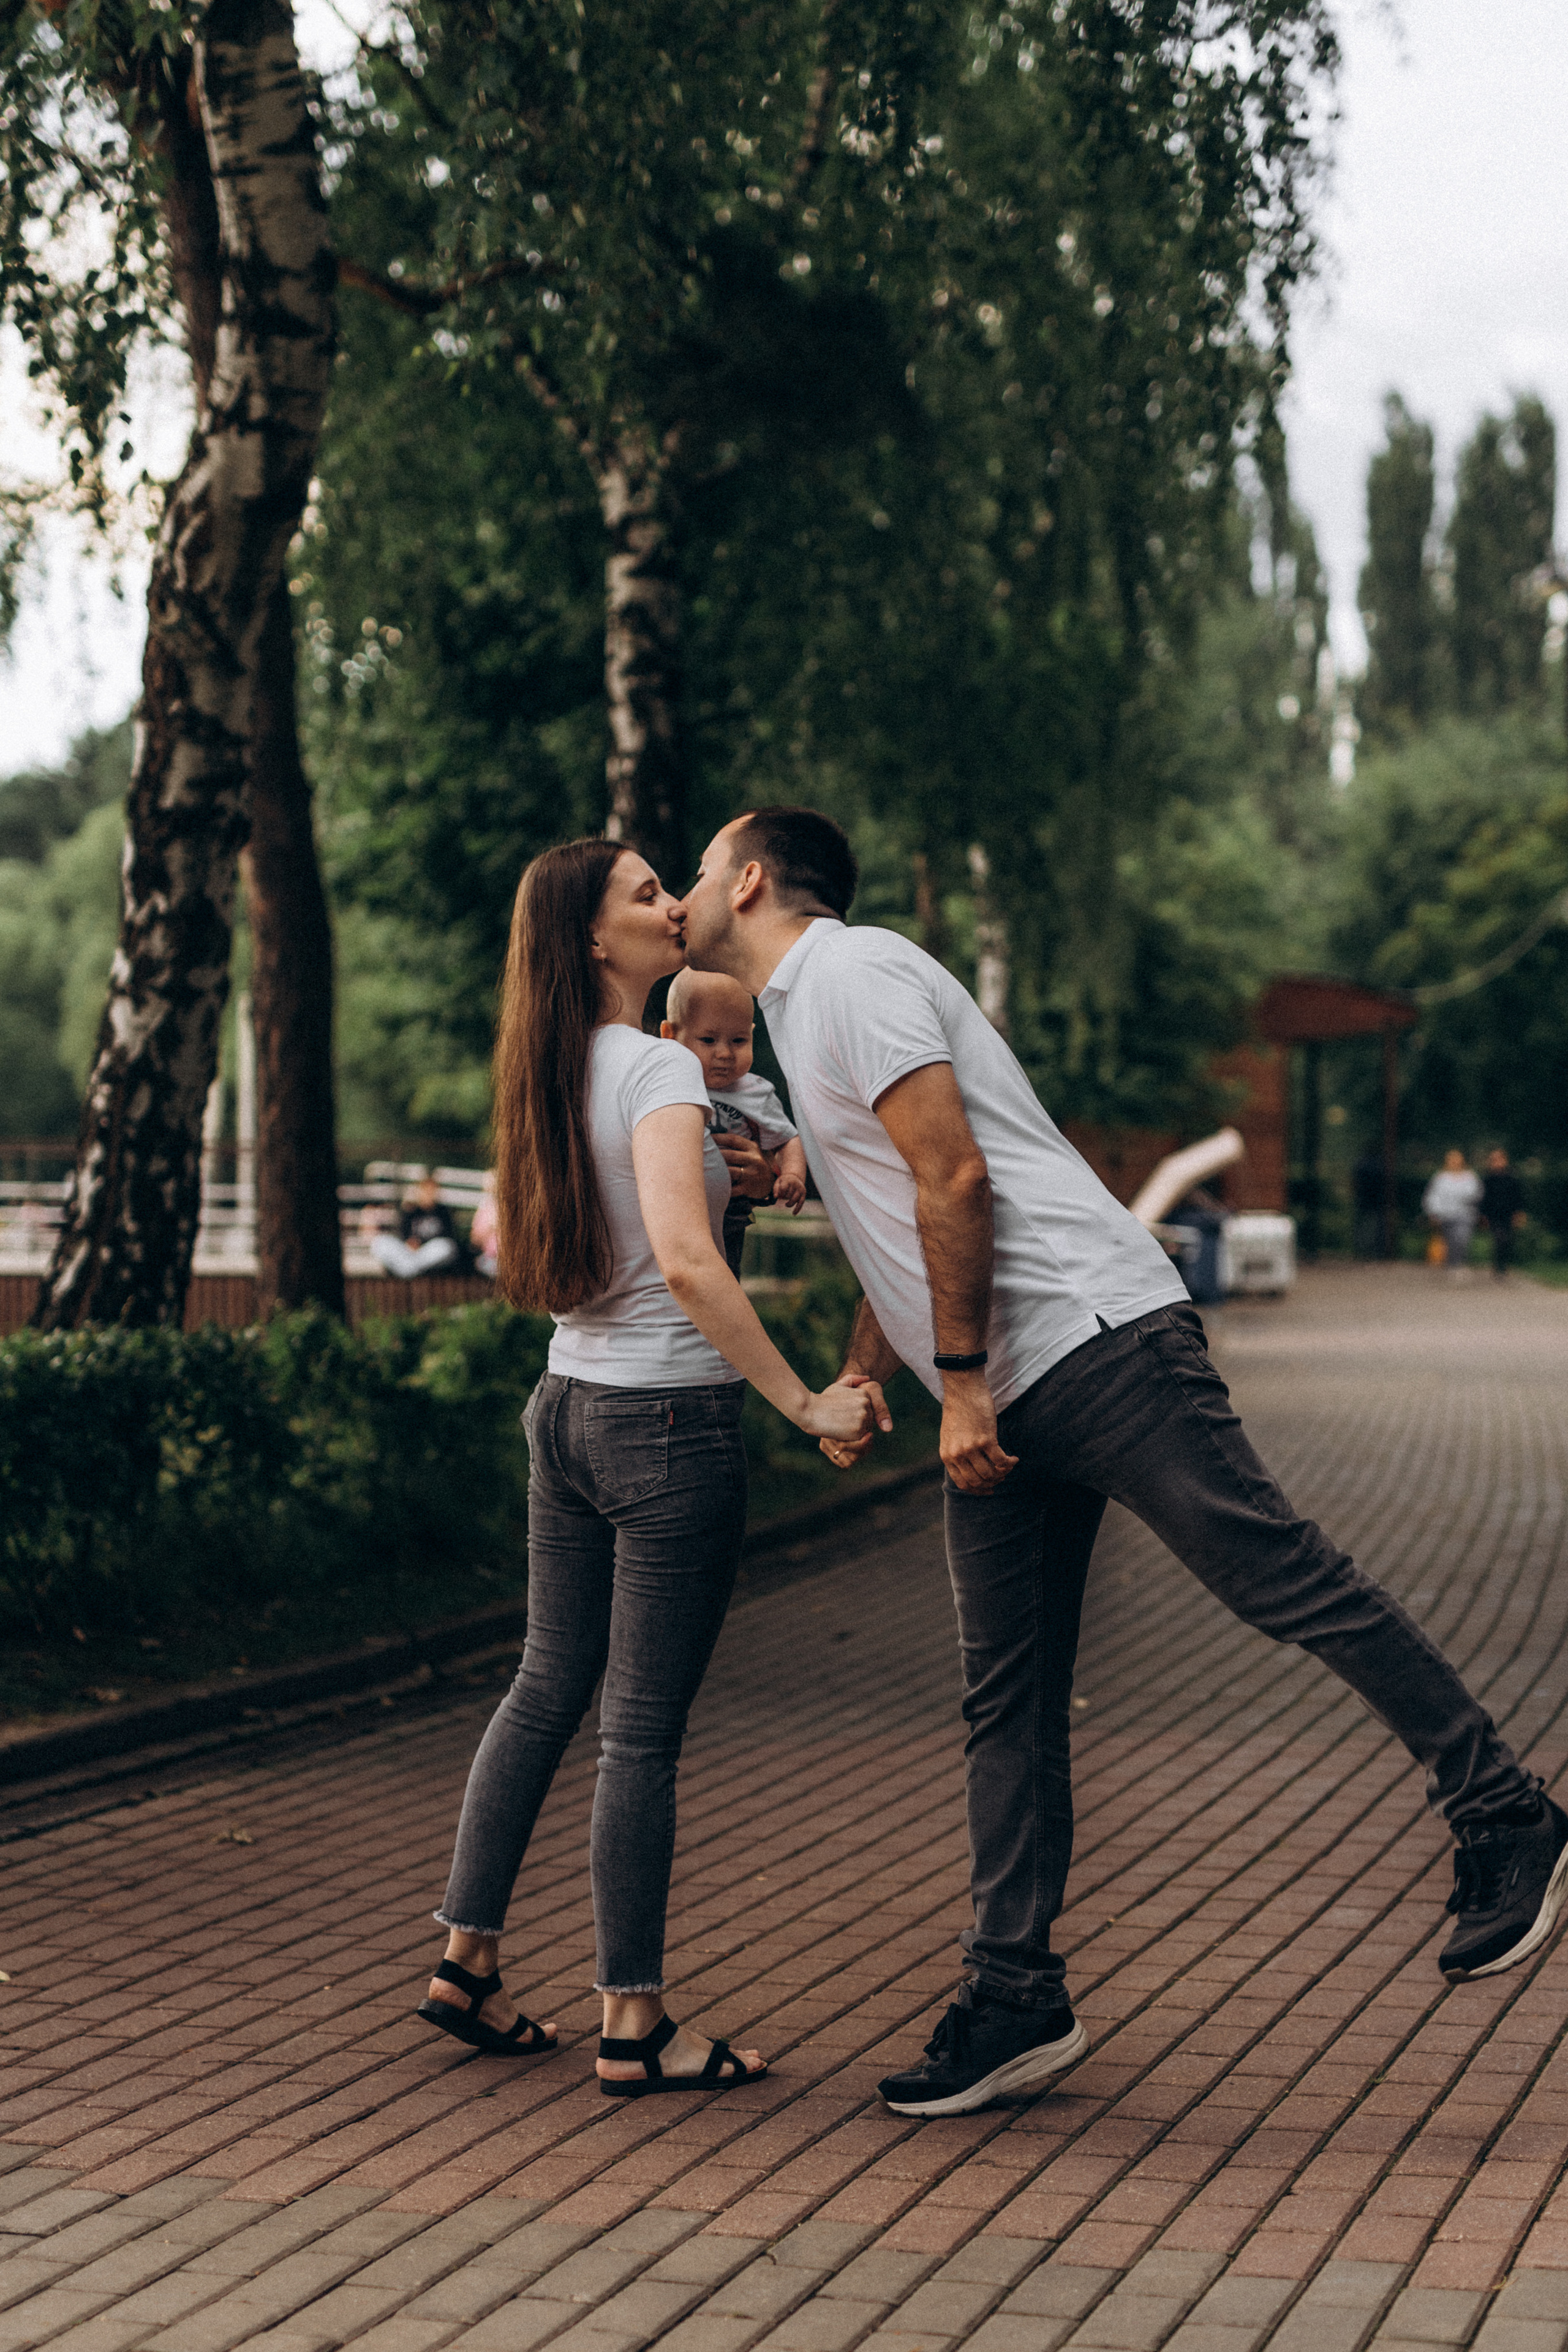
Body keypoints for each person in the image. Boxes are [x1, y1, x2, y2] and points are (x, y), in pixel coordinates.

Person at [682, 805, 1568, 2119]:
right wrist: (874, 1369)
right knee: (1006, 1694)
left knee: (1273, 1574)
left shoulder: (851, 974)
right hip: (1005, 1381)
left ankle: (1504, 1814)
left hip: (1087, 1345)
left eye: (699, 868)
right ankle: (1013, 1993)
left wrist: (963, 1384)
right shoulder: (807, 1020)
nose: (688, 888)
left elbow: (956, 1182)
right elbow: (893, 1212)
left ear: (749, 881)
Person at [418, 837, 874, 2094]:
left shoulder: (551, 1074)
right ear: (591, 941)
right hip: (667, 1428)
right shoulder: (659, 1077)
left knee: (542, 1686)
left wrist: (762, 1169)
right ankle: (635, 2023)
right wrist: (804, 1402)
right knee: (638, 1734)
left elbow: (637, 1228)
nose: (670, 904)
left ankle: (465, 1960)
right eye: (640, 895)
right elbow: (685, 1261)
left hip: (564, 1407)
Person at [662, 969, 809, 1275]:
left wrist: (792, 1174)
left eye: (739, 1040)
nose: (725, 1053)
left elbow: (787, 1138)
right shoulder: (664, 1082)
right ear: (670, 1035)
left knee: (722, 1277)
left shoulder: (755, 1091)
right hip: (670, 1205)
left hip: (732, 1211)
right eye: (709, 1040)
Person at [371, 1172, 461, 1278]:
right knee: (380, 1242)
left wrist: (422, 1244)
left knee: (446, 1247)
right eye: (426, 1191)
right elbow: (402, 1234)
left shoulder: (444, 1212)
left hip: (429, 1253)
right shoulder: (410, 1210)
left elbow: (448, 1238)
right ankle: (410, 1269)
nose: (428, 1194)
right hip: (409, 1253)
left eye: (431, 1191)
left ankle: (408, 1271)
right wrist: (410, 1242)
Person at [1422, 1150, 1482, 1278]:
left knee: (1462, 1239)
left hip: (1465, 1214)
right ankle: (1452, 1265)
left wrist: (1462, 1197)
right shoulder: (1441, 1177)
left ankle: (1459, 1263)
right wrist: (1434, 1213)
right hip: (1446, 1215)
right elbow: (1433, 1196)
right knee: (1450, 1241)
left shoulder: (1470, 1177)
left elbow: (1476, 1194)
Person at [1480, 1148, 1527, 1280]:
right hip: (1493, 1215)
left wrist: (1519, 1214)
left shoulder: (1512, 1178)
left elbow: (1519, 1198)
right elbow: (1484, 1199)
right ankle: (1499, 1267)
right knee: (1500, 1239)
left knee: (1508, 1241)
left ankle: (1503, 1265)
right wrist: (1483, 1216)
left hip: (1508, 1215)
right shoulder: (1487, 1179)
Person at [470, 1172, 499, 1281]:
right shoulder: (484, 1210)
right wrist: (491, 1228)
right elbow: (474, 1240)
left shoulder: (511, 1209)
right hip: (489, 1257)